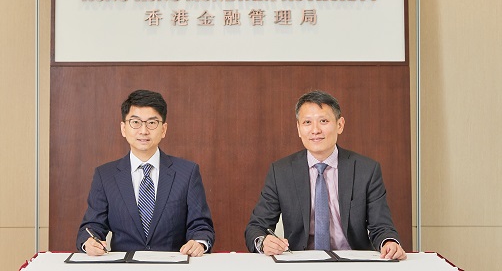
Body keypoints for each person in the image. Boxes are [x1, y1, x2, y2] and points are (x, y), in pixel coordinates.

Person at [245, 90, 406, 260]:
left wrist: (389, 242)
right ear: (299, 129)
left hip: (353, 262)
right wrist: (264, 242)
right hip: (299, 262)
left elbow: (382, 226)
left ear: (340, 125)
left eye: (323, 121)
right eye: (307, 122)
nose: (315, 130)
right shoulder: (281, 171)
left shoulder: (366, 170)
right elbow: (256, 227)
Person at [77, 89, 214, 256]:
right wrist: (89, 242)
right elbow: (91, 227)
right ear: (123, 128)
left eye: (151, 123)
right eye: (135, 122)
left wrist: (199, 242)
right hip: (123, 267)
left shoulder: (187, 172)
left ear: (163, 129)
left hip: (172, 266)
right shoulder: (105, 175)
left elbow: (201, 226)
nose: (143, 131)